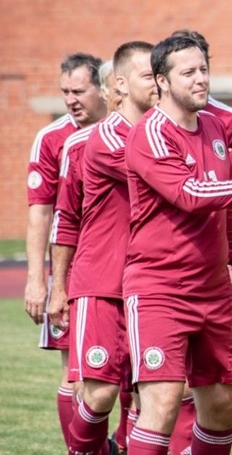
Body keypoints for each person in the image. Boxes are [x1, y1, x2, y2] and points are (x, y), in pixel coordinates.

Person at [122, 35, 232, 455]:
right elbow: (193, 195)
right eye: (189, 73)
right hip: (159, 288)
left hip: (214, 290)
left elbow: (224, 211)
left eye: (204, 69)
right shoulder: (151, 134)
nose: (201, 80)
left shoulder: (217, 127)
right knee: (162, 405)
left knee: (221, 406)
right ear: (162, 81)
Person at [47, 41, 159, 455]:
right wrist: (59, 286)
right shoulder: (85, 144)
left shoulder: (170, 138)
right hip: (102, 283)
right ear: (120, 85)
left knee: (150, 394)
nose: (158, 84)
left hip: (150, 285)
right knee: (98, 395)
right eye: (150, 76)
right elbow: (65, 219)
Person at [24, 52, 108, 448]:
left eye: (79, 91)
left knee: (124, 376)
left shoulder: (127, 129)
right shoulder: (53, 138)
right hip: (72, 271)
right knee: (74, 371)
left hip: (123, 266)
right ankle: (80, 448)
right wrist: (37, 281)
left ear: (102, 88)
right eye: (65, 92)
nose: (71, 100)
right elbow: (40, 215)